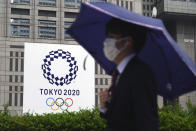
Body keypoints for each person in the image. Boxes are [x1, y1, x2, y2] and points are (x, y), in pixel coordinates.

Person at [99, 18, 159, 131]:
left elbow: (147, 123)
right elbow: (120, 119)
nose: (106, 42)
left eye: (111, 37)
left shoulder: (140, 74)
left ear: (127, 42)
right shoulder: (119, 74)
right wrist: (104, 106)